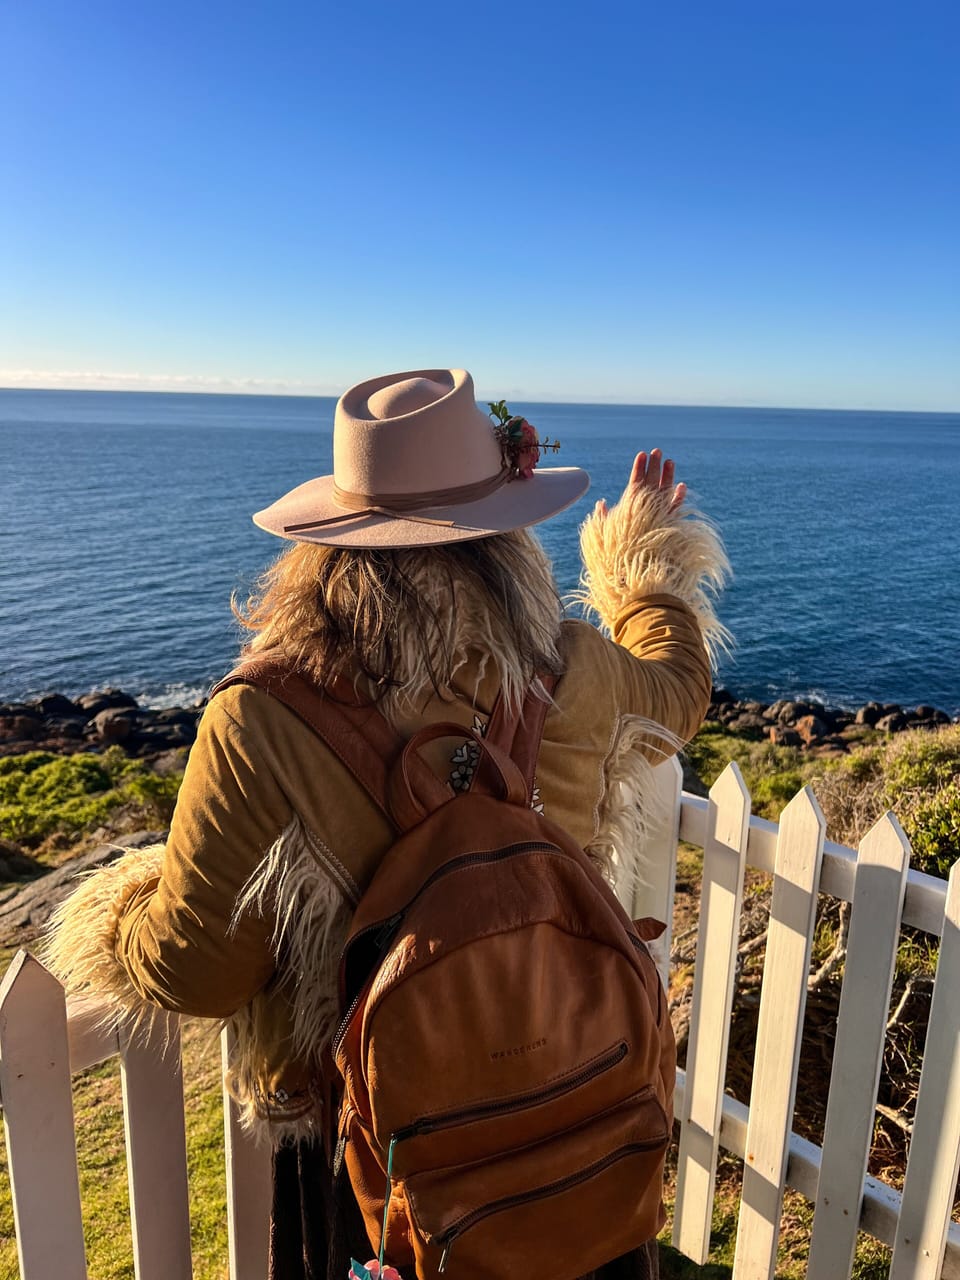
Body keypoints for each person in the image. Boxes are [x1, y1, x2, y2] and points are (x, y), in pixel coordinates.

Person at [45, 367, 728, 1280]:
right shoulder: (572, 668)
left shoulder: (264, 719)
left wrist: (127, 901)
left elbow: (195, 970)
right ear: (506, 535)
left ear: (329, 542)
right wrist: (641, 564)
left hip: (382, 1163)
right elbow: (678, 688)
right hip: (572, 1124)